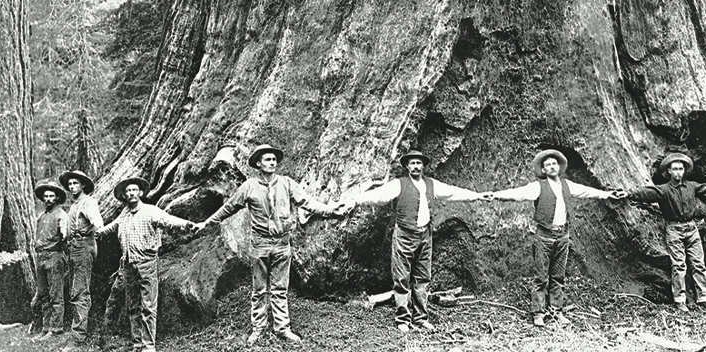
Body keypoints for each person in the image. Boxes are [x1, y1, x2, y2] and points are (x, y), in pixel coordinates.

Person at [195, 144, 335, 344]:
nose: (272, 163)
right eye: (267, 160)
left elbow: (308, 203)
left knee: (279, 289)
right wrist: (207, 222)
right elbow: (229, 208)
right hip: (259, 245)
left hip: (282, 244)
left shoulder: (287, 183)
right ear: (259, 164)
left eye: (274, 159)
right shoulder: (249, 186)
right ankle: (258, 329)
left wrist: (332, 210)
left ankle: (282, 328)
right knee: (259, 290)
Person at [337, 151, 489, 333]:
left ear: (423, 166)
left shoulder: (431, 184)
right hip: (404, 235)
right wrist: (355, 200)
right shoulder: (398, 184)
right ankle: (403, 318)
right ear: (407, 166)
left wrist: (477, 196)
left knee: (422, 277)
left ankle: (421, 318)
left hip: (425, 235)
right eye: (412, 163)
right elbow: (379, 196)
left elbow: (453, 192)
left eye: (419, 163)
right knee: (401, 277)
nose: (416, 166)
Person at [491, 149, 625, 327]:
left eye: (554, 163)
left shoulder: (567, 185)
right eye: (548, 165)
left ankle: (556, 311)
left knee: (558, 276)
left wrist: (607, 194)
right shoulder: (538, 186)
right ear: (544, 170)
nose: (552, 166)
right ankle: (538, 313)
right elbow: (518, 194)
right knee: (541, 277)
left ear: (559, 167)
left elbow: (586, 191)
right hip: (544, 237)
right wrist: (495, 195)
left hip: (563, 236)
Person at [97, 177, 196, 352]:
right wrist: (96, 233)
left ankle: (148, 347)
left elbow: (168, 220)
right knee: (133, 306)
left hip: (147, 264)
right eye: (128, 191)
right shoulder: (124, 213)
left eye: (134, 190)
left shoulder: (151, 211)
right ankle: (137, 344)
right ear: (124, 196)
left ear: (140, 192)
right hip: (128, 265)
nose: (131, 193)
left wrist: (187, 225)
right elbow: (111, 227)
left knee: (148, 307)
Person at [626, 153, 706, 312]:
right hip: (674, 229)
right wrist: (629, 193)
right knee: (678, 265)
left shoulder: (692, 186)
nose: (678, 172)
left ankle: (705, 299)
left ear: (684, 171)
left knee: (699, 264)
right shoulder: (663, 190)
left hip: (692, 228)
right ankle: (680, 300)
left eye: (680, 169)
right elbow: (646, 193)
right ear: (669, 171)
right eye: (674, 169)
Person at [59, 170, 103, 341]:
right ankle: (76, 331)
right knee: (74, 289)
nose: (72, 187)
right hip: (74, 248)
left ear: (83, 185)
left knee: (80, 291)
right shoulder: (74, 205)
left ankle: (78, 338)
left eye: (75, 183)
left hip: (84, 246)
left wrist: (99, 229)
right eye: (69, 184)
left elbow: (97, 221)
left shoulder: (88, 202)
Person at [30, 181, 69, 340]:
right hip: (41, 257)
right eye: (46, 196)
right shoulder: (41, 216)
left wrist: (64, 234)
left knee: (55, 294)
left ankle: (56, 328)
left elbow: (65, 234)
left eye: (51, 196)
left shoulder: (61, 214)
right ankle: (46, 328)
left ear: (57, 197)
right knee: (44, 294)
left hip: (55, 255)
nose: (48, 199)